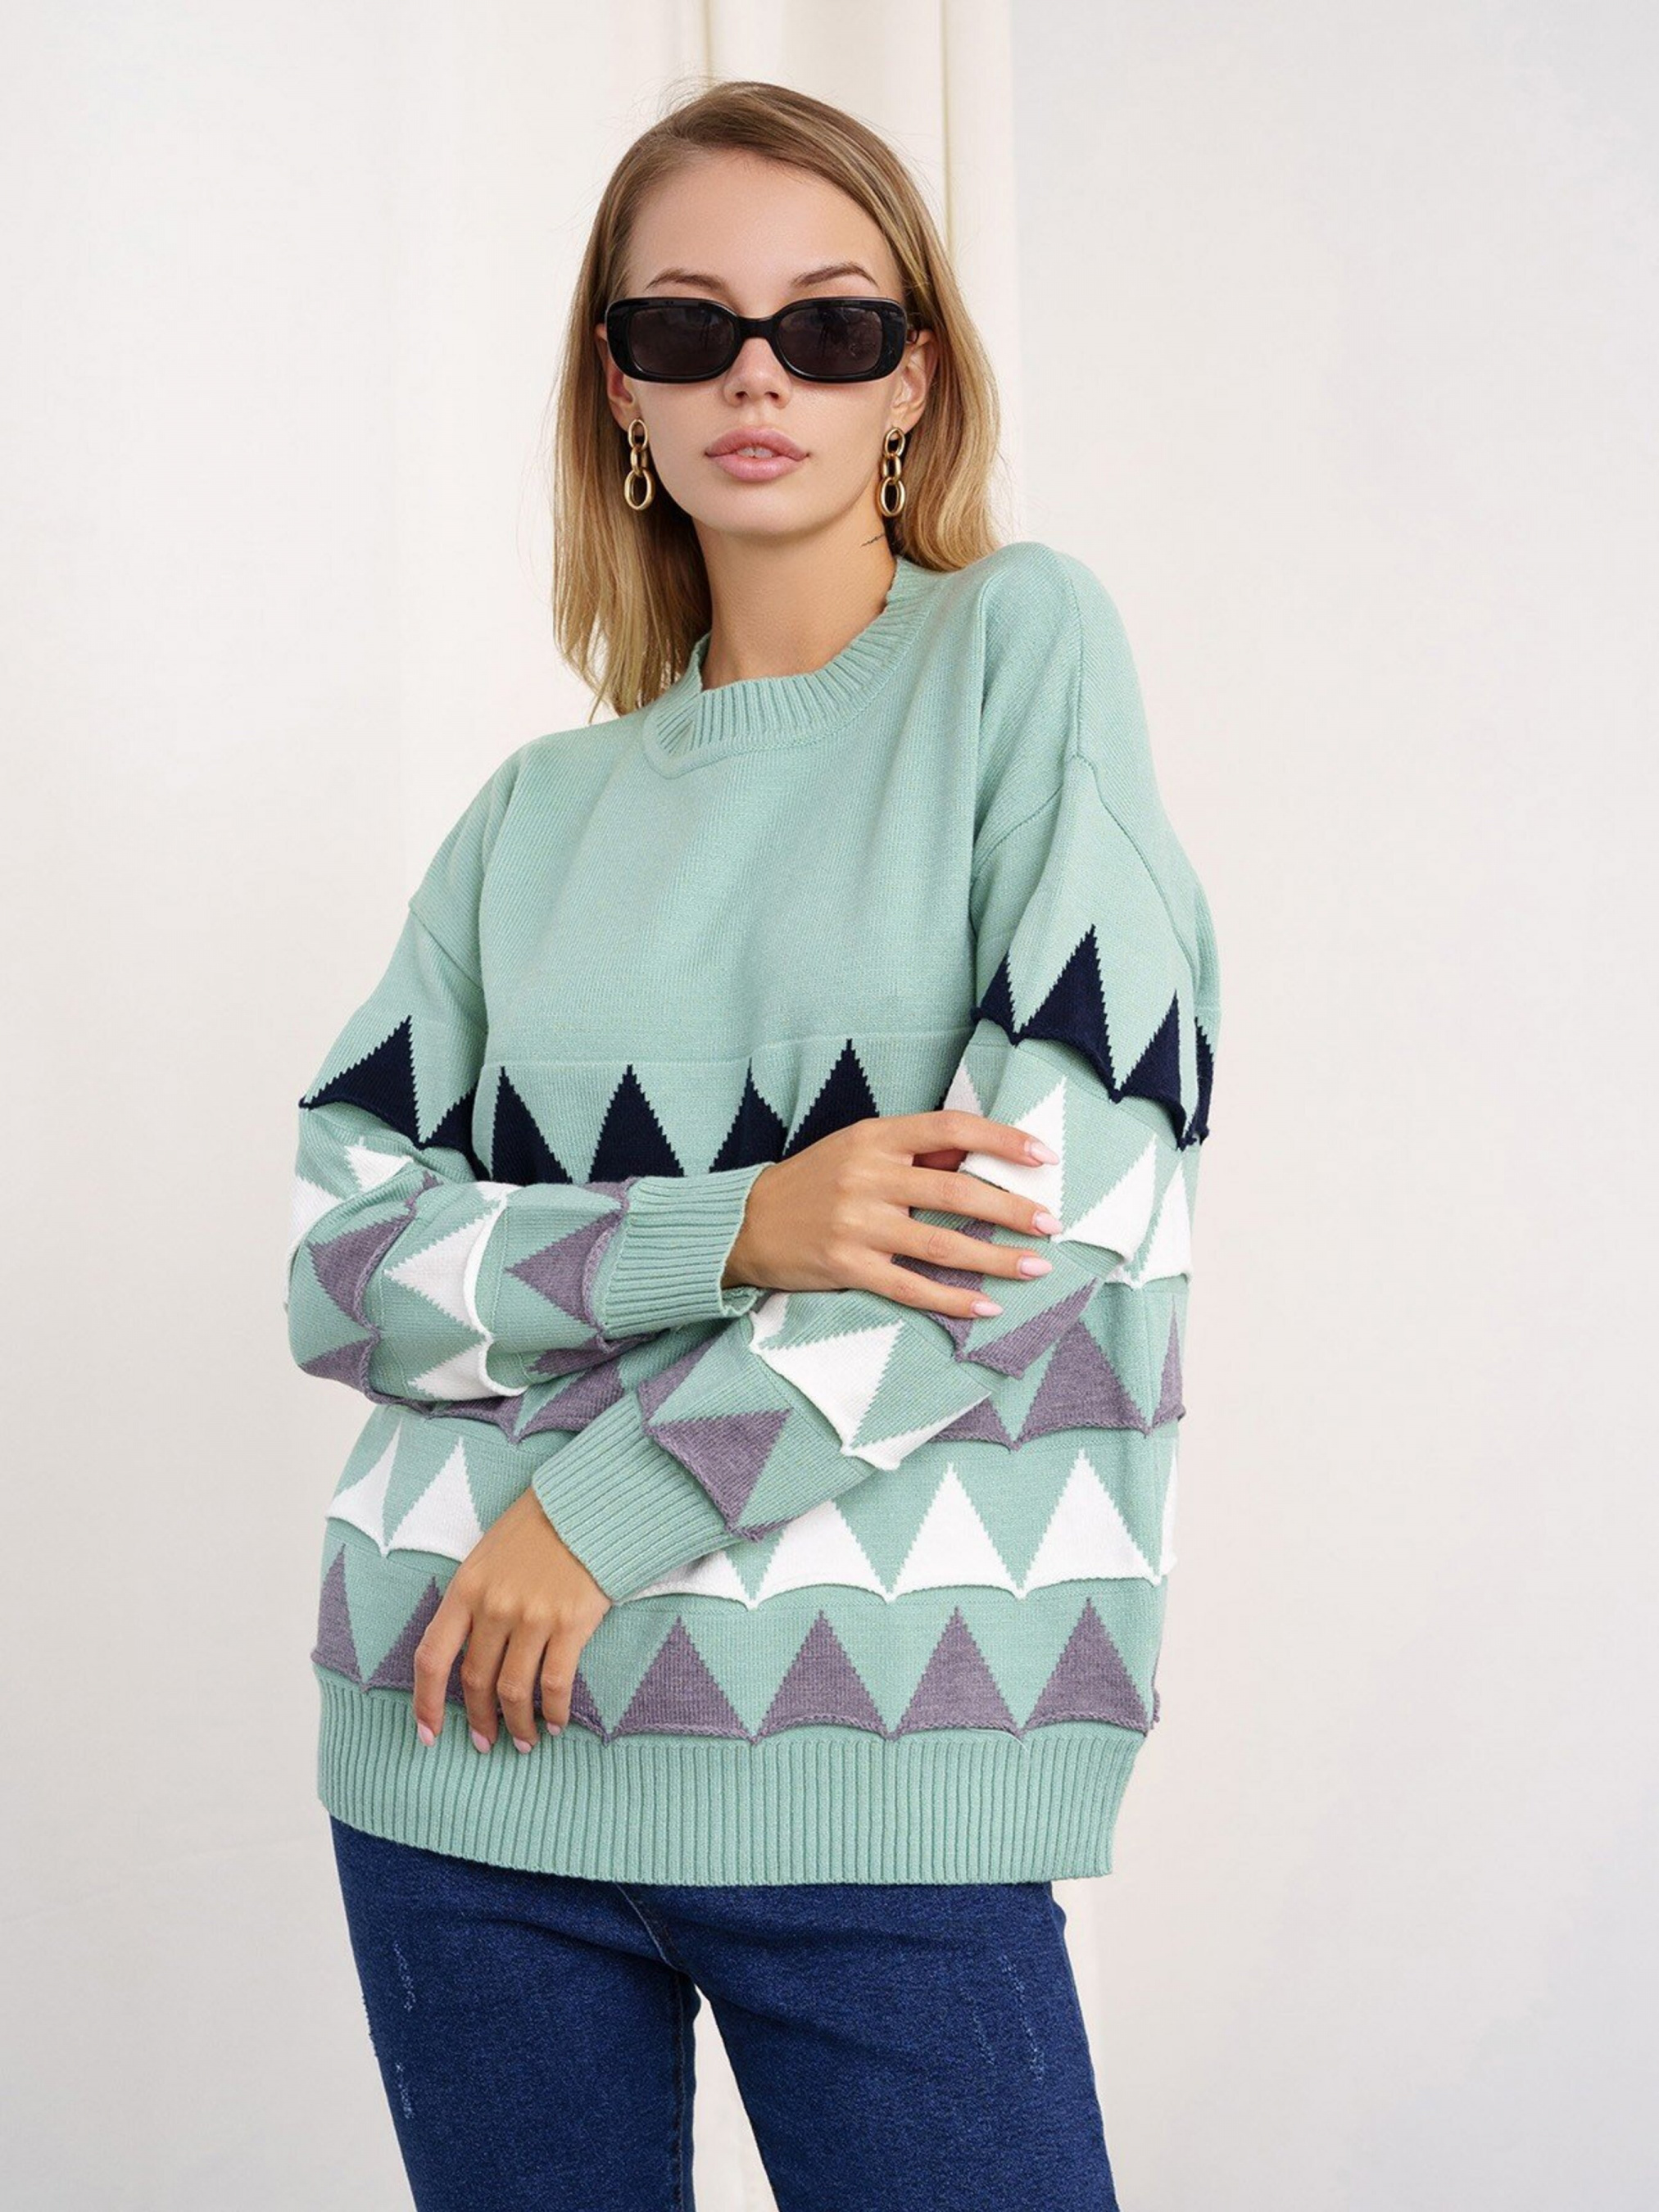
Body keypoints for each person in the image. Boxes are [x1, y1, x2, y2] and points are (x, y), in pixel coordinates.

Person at [286, 76, 1221, 2212]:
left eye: (829, 324)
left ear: (915, 378)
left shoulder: (1020, 655)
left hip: (878, 1763)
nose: (759, 377)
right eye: (688, 328)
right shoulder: (532, 818)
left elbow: (1050, 1211)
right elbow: (340, 1268)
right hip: (458, 1753)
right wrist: (739, 1224)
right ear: (619, 387)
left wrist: (601, 1506)